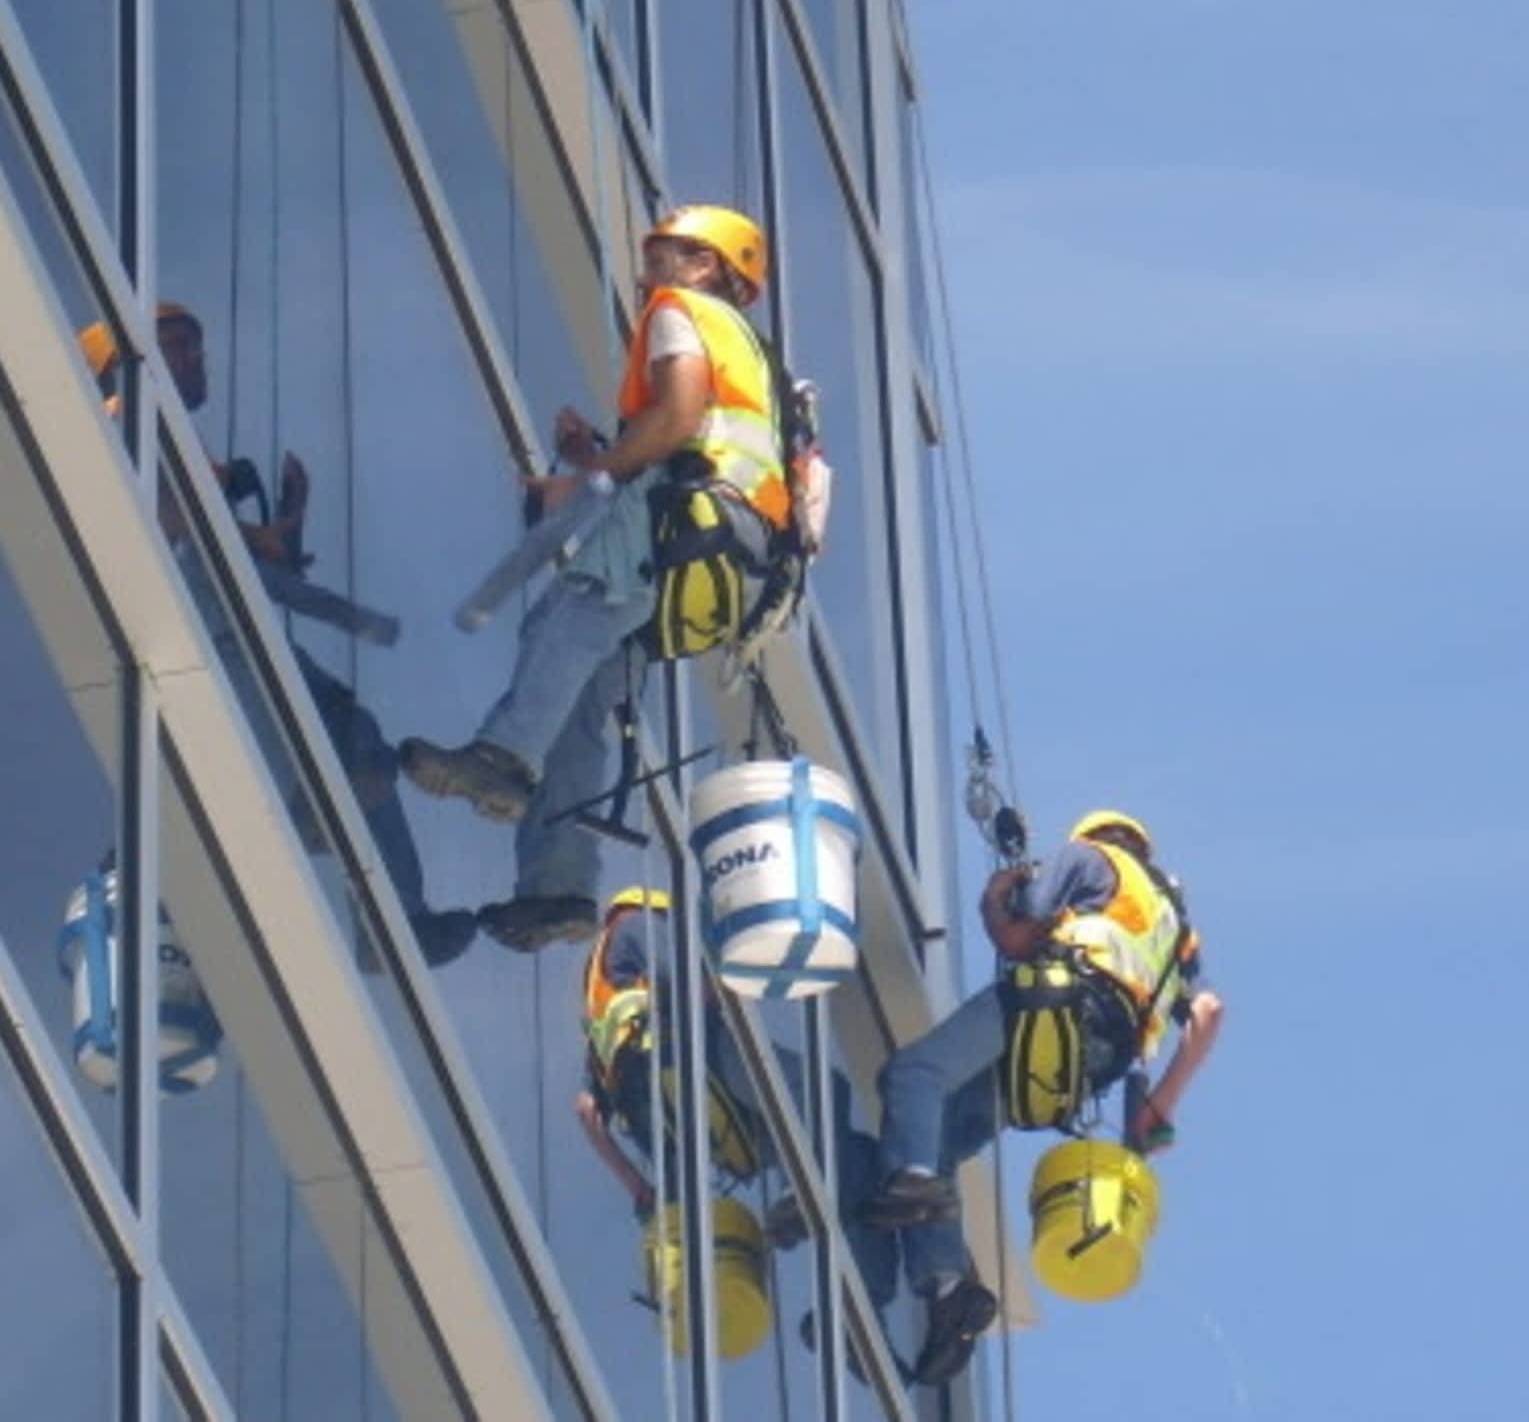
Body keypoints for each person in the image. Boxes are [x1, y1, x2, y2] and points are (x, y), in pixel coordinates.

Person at [400, 205, 788, 954]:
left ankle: (501, 761)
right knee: (581, 699)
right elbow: (699, 431)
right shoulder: (750, 351)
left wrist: (587, 480)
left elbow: (676, 421)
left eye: (665, 253)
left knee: (572, 613)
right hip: (731, 557)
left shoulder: (683, 311)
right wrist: (600, 457)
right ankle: (558, 888)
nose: (648, 270)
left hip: (688, 518)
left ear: (706, 266)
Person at [78, 305, 476, 967]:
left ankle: (389, 918)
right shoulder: (127, 419)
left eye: (194, 347)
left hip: (229, 631)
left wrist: (281, 525)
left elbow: (245, 558)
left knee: (359, 744)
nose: (193, 360)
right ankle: (367, 915)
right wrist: (342, 605)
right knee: (321, 762)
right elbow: (171, 526)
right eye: (176, 346)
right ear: (124, 364)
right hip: (209, 642)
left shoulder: (171, 441)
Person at [857, 811, 1225, 1386]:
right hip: (1093, 1063)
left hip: (1058, 1002)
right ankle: (949, 1288)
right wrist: (1160, 1106)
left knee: (912, 1075)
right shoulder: (1174, 932)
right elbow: (1207, 1013)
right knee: (941, 1140)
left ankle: (913, 1186)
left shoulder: (1090, 859)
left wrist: (999, 893)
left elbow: (1018, 932)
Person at [573, 887, 898, 1370]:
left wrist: (642, 1190)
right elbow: (685, 982)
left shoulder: (601, 1004)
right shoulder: (639, 927)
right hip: (691, 1053)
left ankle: (854, 1299)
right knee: (821, 1091)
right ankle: (817, 1228)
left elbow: (587, 1111)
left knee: (850, 1156)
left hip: (664, 1111)